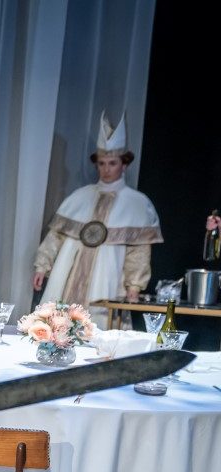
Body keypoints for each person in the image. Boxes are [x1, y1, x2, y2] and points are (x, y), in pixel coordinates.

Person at [32, 111, 163, 326]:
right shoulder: (80, 197)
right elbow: (56, 236)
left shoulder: (137, 204)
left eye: (112, 163)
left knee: (100, 325)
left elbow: (138, 251)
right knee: (59, 326)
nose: (106, 169)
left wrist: (134, 287)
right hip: (69, 271)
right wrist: (42, 265)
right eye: (101, 163)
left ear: (124, 164)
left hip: (108, 275)